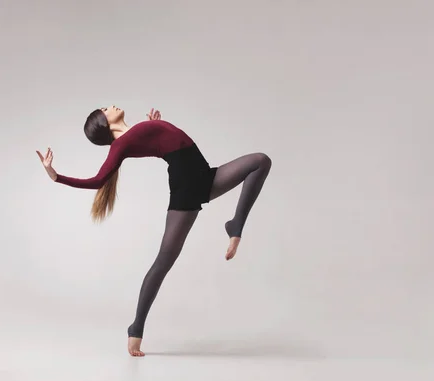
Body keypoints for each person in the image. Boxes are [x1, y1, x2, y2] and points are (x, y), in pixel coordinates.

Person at [36, 106, 272, 356]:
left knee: (260, 161)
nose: (112, 106)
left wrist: (153, 129)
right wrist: (55, 176)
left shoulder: (134, 132)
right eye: (105, 109)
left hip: (205, 176)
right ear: (103, 122)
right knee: (163, 262)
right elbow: (98, 180)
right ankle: (135, 328)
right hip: (186, 188)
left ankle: (235, 225)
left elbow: (159, 142)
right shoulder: (119, 146)